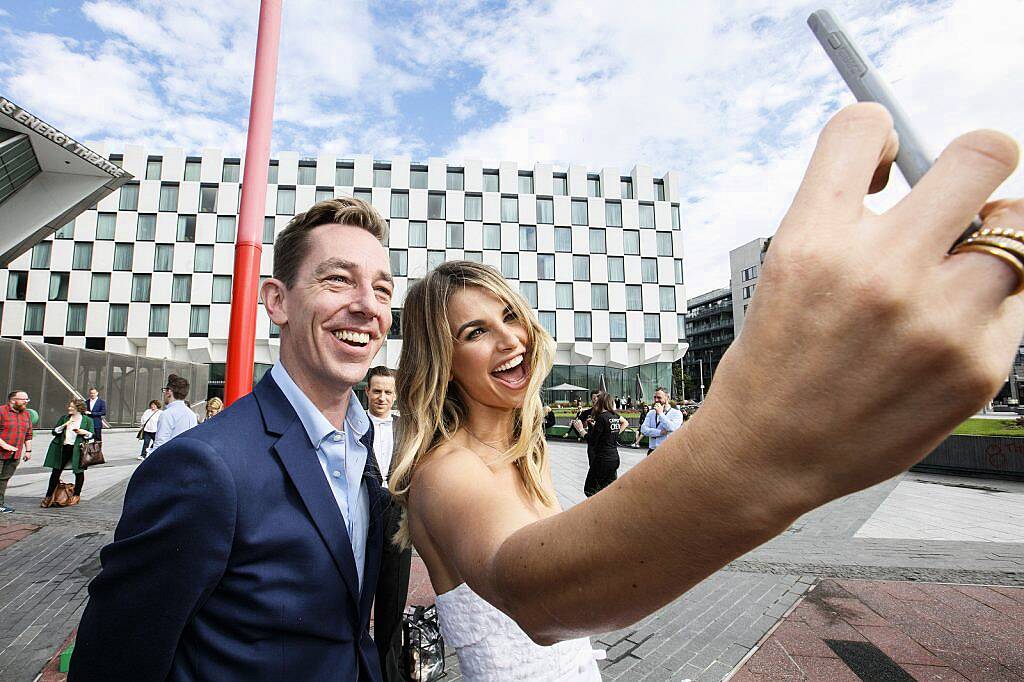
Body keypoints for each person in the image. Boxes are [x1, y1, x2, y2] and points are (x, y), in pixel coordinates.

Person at [388, 105, 1024, 679]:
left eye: (511, 315)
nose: (511, 338)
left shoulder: (521, 455)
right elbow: (533, 594)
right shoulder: (446, 470)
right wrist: (765, 441)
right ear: (442, 362)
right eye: (475, 331)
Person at [70, 197, 394, 680]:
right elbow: (115, 661)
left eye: (383, 289)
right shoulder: (204, 467)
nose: (368, 305)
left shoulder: (361, 444)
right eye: (339, 280)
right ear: (277, 301)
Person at [365, 365, 411, 682]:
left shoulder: (406, 429)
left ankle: (388, 674)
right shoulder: (351, 427)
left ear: (395, 396)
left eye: (387, 392)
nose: (382, 397)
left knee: (392, 605)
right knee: (356, 599)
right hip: (363, 517)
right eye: (377, 390)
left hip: (398, 520)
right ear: (367, 392)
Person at [41, 398, 94, 508]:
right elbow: (54, 432)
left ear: (78, 408)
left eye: (72, 407)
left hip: (78, 449)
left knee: (79, 472)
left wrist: (84, 432)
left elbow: (92, 435)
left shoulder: (87, 420)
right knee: (56, 472)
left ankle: (76, 495)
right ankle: (48, 496)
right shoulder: (64, 418)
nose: (69, 408)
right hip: (63, 448)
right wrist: (64, 425)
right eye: (69, 406)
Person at [584, 392, 627, 497]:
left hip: (603, 459)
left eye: (597, 401)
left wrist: (581, 430)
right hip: (614, 458)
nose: (595, 403)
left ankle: (597, 511)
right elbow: (608, 431)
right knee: (608, 489)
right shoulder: (614, 416)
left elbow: (592, 441)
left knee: (590, 489)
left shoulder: (601, 417)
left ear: (601, 402)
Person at [0, 390, 33, 514]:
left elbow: (28, 434)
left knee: (4, 479)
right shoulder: (1, 411)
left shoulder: (26, 414)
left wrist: (28, 450)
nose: (26, 402)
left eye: (27, 399)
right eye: (24, 399)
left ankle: (0, 504)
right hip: (1, 452)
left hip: (15, 454)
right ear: (13, 400)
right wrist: (4, 445)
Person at [149, 374, 198, 451]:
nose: (164, 393)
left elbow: (160, 444)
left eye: (165, 390)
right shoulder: (192, 415)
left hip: (170, 458)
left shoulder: (167, 414)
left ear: (169, 392)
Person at [639, 387, 684, 456]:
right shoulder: (651, 413)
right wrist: (660, 432)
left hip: (668, 451)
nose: (656, 400)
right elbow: (643, 430)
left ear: (667, 397)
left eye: (659, 397)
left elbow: (672, 428)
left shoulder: (676, 413)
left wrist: (661, 414)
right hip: (652, 451)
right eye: (655, 397)